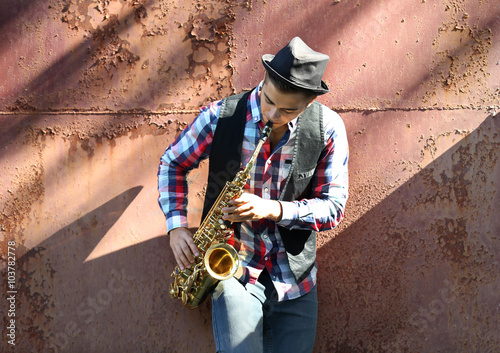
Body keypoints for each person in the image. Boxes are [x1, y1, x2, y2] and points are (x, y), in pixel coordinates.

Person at [158, 37, 349, 353]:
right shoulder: (221, 116)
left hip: (295, 280)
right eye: (268, 100)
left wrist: (273, 209)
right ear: (263, 81)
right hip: (234, 270)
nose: (273, 114)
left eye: (288, 109)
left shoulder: (328, 128)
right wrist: (177, 226)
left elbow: (334, 207)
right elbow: (172, 163)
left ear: (309, 103)